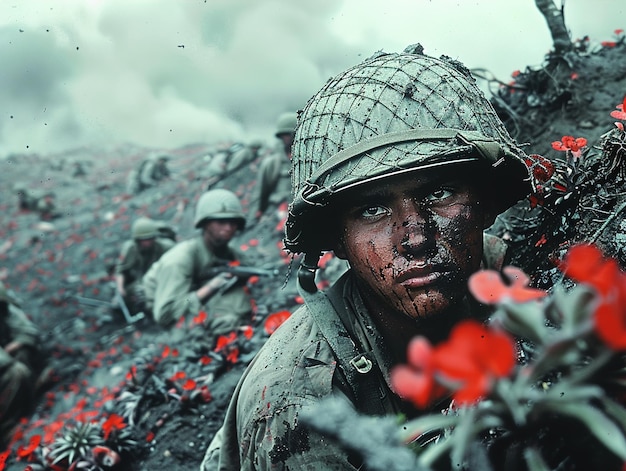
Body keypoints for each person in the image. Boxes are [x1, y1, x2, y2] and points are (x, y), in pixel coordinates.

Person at [202, 46, 533, 469]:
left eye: (439, 192)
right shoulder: (298, 406)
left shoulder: (509, 270)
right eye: (372, 210)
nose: (415, 238)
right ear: (337, 241)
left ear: (483, 202)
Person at [142, 189, 253, 336]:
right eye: (221, 222)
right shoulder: (178, 260)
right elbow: (165, 315)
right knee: (208, 328)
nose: (228, 228)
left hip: (190, 293)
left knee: (239, 305)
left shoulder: (227, 251)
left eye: (234, 222)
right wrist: (210, 287)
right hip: (165, 304)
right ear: (205, 224)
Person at [0, 281, 44, 444]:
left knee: (23, 354)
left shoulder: (3, 308)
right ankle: (5, 428)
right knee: (17, 372)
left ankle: (24, 403)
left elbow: (28, 330)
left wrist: (17, 344)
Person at [113, 217, 175, 314]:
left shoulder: (165, 247)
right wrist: (120, 289)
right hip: (138, 282)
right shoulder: (130, 249)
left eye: (150, 238)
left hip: (160, 280)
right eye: (144, 239)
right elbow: (121, 270)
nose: (148, 242)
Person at [251, 111, 297, 220]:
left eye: (288, 134)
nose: (286, 138)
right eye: (283, 135)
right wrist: (257, 214)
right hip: (277, 213)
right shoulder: (273, 163)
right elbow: (260, 193)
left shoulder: (308, 160)